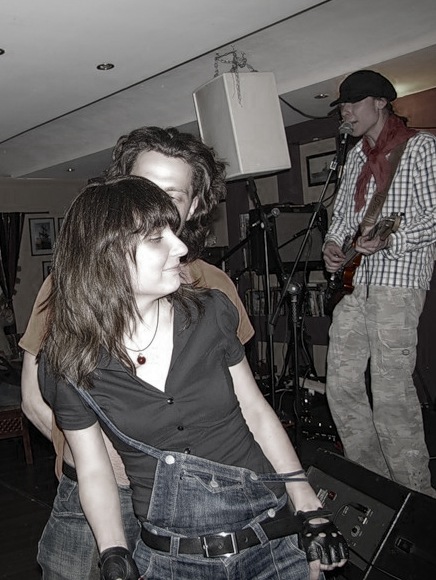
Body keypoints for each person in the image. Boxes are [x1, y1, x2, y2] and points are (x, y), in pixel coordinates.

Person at [38, 175, 347, 580]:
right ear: (105, 256)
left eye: (174, 232)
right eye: (156, 238)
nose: (181, 247)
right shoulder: (70, 364)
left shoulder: (212, 313)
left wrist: (308, 507)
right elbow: (93, 469)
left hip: (270, 539)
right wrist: (114, 551)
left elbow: (256, 412)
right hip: (172, 559)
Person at [20, 126, 255, 578]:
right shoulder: (70, 283)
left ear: (194, 206)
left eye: (173, 195)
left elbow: (243, 403)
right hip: (91, 497)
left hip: (195, 500)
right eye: (143, 186)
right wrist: (98, 461)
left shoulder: (215, 287)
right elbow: (34, 398)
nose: (156, 202)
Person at [323, 70, 436, 496]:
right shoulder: (355, 156)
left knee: (391, 393)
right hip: (356, 284)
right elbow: (343, 218)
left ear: (380, 103)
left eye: (352, 104)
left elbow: (435, 214)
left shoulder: (421, 148)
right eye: (342, 107)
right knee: (341, 383)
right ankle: (373, 483)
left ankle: (415, 496)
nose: (346, 113)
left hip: (398, 283)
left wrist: (392, 239)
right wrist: (332, 245)